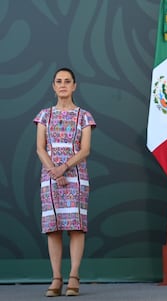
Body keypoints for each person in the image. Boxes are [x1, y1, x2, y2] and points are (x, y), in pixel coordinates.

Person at [33, 67, 96, 297]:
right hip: (50, 179)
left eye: (67, 81)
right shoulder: (44, 115)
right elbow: (40, 147)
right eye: (58, 81)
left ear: (74, 86)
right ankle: (56, 278)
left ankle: (74, 276)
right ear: (53, 86)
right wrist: (54, 171)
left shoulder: (84, 116)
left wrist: (64, 167)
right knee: (54, 228)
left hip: (76, 177)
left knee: (76, 227)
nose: (63, 85)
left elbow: (85, 149)